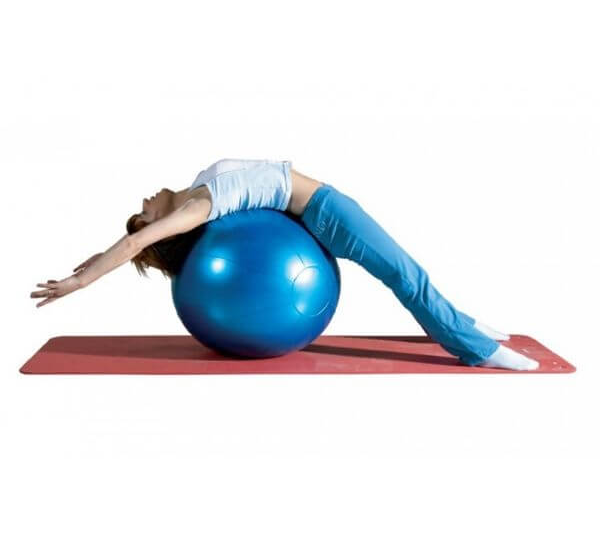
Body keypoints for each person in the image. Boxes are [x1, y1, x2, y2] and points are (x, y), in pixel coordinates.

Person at [30, 158, 539, 371]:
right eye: (143, 214)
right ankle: (477, 350)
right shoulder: (193, 210)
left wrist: (95, 258)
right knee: (407, 276)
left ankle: (466, 325)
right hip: (327, 213)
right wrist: (81, 281)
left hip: (321, 212)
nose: (143, 204)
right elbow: (134, 245)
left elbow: (129, 243)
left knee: (408, 273)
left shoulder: (193, 191)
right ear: (159, 224)